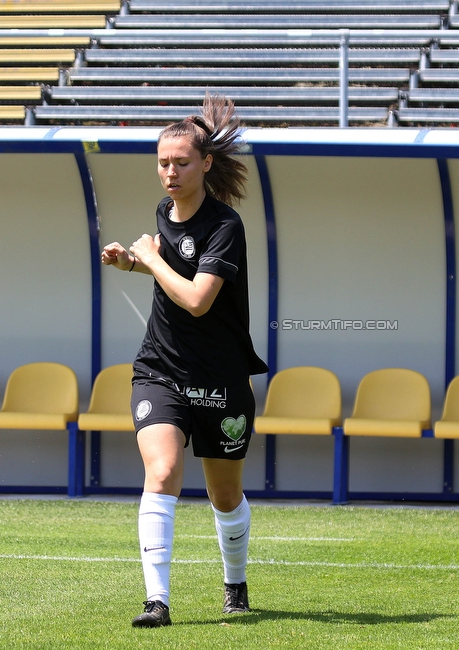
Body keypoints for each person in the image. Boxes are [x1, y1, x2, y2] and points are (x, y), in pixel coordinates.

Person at [101, 93, 268, 628]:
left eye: (181, 162)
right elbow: (171, 281)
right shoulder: (162, 214)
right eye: (162, 163)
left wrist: (149, 257)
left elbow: (197, 298)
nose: (169, 173)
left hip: (220, 378)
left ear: (206, 164)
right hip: (161, 369)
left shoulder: (226, 227)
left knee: (225, 495)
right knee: (164, 469)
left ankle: (235, 582)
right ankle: (157, 601)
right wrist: (134, 265)